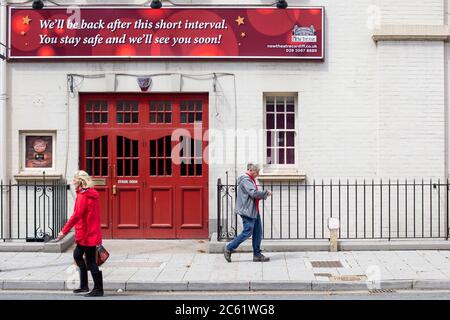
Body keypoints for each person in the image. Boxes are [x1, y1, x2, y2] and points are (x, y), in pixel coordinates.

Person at [56, 170, 103, 297]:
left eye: (75, 179)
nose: (73, 181)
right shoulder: (87, 194)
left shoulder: (83, 196)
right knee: (77, 255)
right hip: (86, 233)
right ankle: (84, 286)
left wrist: (63, 231)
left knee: (91, 262)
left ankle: (98, 289)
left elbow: (76, 216)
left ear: (80, 181)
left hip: (88, 235)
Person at [224, 163, 272, 263]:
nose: (258, 174)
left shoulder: (249, 179)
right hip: (248, 211)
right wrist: (266, 192)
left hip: (253, 210)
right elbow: (253, 193)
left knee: (258, 232)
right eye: (257, 172)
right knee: (247, 232)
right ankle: (229, 248)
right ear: (251, 170)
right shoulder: (246, 180)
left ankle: (257, 255)